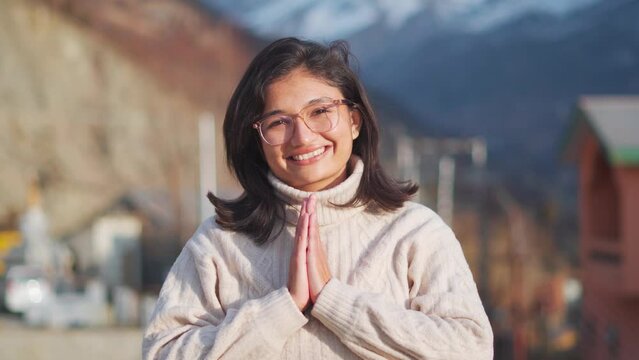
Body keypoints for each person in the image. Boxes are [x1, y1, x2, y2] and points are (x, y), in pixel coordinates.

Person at [143, 37, 493, 359]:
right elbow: (162, 352)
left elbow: (471, 348)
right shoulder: (219, 244)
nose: (303, 136)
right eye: (278, 122)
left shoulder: (415, 233)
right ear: (257, 139)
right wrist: (281, 309)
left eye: (320, 111)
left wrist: (334, 300)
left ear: (354, 121)